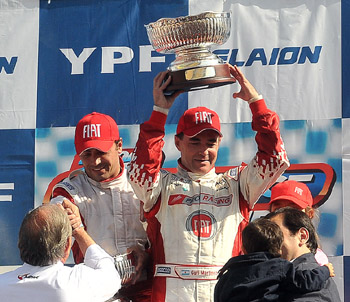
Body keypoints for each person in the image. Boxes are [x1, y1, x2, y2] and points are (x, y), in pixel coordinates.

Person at [126, 64, 290, 302]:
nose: (204, 150)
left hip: (224, 292)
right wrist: (160, 111)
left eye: (210, 142)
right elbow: (141, 169)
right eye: (195, 142)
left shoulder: (237, 184)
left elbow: (274, 159)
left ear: (219, 144)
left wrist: (256, 102)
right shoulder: (161, 185)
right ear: (177, 142)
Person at [49, 112, 151, 301]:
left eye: (101, 152)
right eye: (87, 154)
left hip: (146, 290)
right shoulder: (69, 191)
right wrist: (59, 216)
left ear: (119, 146)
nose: (95, 162)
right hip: (96, 293)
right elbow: (54, 213)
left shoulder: (142, 183)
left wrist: (148, 254)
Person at [0, 202, 120, 302]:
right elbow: (108, 270)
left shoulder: (2, 285)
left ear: (20, 243)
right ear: (67, 245)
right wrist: (78, 230)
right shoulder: (76, 282)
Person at [214, 218, 334, 302]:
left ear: (243, 248)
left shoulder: (227, 275)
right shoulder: (280, 267)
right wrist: (325, 270)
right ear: (278, 249)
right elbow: (306, 281)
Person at [266, 207, 341, 301]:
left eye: (274, 232)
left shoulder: (307, 275)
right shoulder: (296, 273)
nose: (268, 239)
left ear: (302, 236)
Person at [269, 180, 328, 265]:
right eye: (278, 210)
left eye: (293, 210)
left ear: (309, 214)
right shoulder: (258, 253)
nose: (284, 215)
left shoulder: (318, 262)